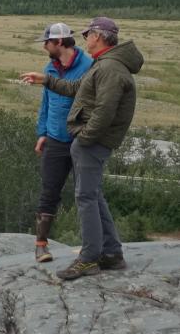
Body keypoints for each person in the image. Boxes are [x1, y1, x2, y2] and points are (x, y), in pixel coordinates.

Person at [21, 16, 143, 280]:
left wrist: (84, 139)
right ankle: (112, 253)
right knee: (94, 196)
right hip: (89, 142)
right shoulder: (105, 64)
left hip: (91, 144)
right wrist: (47, 80)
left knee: (85, 198)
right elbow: (78, 88)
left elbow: (104, 110)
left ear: (97, 37)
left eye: (88, 34)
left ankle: (89, 259)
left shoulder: (109, 68)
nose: (85, 38)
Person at [31, 23, 93, 263]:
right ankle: (40, 246)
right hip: (55, 139)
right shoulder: (50, 68)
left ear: (58, 43)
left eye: (46, 42)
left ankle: (91, 247)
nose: (44, 46)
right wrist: (42, 133)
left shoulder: (89, 67)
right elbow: (46, 103)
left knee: (87, 193)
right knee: (49, 192)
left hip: (82, 139)